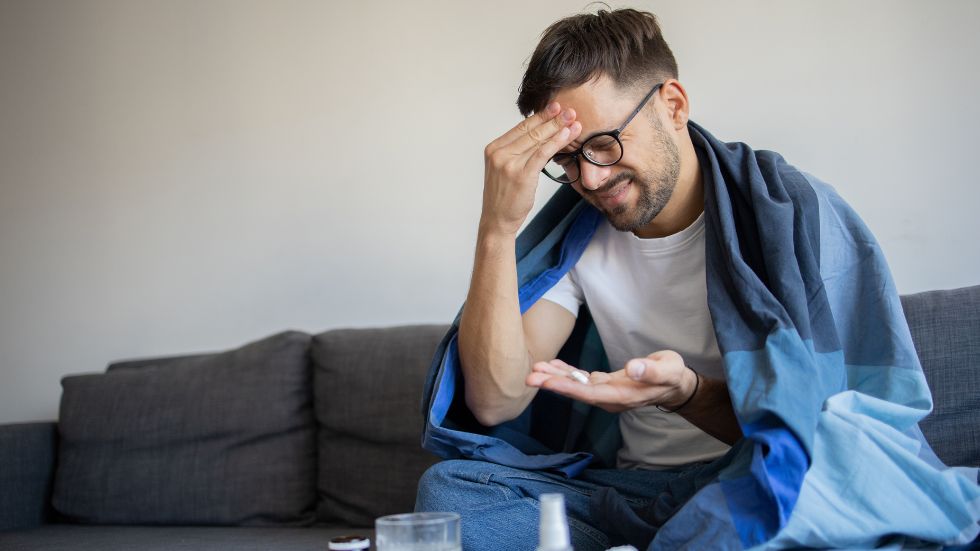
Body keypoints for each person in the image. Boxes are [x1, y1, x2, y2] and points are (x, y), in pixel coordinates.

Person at [415, 8, 980, 551]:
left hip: (761, 474)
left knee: (832, 472)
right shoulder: (576, 238)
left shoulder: (792, 211)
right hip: (632, 493)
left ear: (673, 104)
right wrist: (497, 227)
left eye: (604, 143)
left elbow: (838, 435)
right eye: (565, 160)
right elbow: (495, 402)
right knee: (452, 490)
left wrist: (687, 395)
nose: (589, 176)